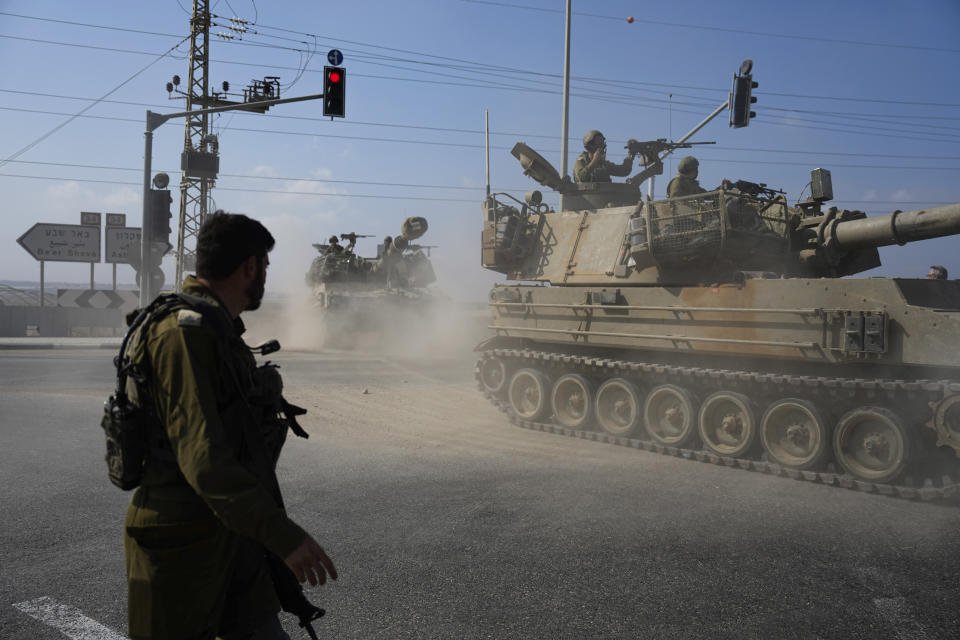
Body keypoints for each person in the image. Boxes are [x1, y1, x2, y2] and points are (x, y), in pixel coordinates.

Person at [123, 212, 337, 640]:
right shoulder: (185, 333)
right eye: (265, 267)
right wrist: (282, 534)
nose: (264, 279)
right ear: (250, 267)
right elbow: (204, 459)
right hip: (182, 541)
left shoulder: (215, 328)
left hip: (230, 533)